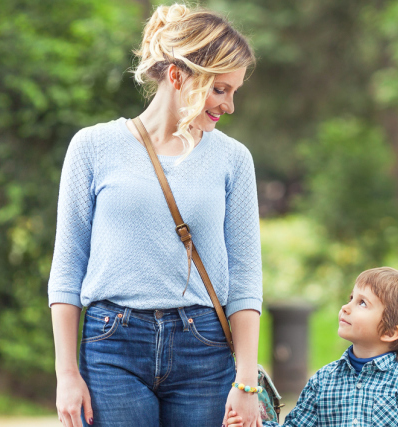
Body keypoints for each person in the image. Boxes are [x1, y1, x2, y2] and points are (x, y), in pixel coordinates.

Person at [47, 4, 263, 427]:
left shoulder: (233, 159)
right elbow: (68, 268)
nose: (229, 105)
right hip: (112, 346)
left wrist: (247, 382)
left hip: (204, 348)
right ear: (178, 76)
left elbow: (244, 276)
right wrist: (66, 374)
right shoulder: (92, 147)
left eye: (234, 92)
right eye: (220, 89)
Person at [227, 267, 398, 427]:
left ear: (390, 332)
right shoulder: (323, 381)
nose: (346, 307)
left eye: (362, 303)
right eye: (351, 298)